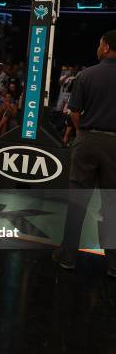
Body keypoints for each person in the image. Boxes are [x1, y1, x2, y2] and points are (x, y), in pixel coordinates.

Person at [53, 31, 116, 273]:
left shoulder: (86, 75)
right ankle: (114, 264)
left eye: (100, 43)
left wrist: (83, 132)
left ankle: (67, 256)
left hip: (88, 139)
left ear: (107, 46)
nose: (98, 47)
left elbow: (75, 111)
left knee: (78, 201)